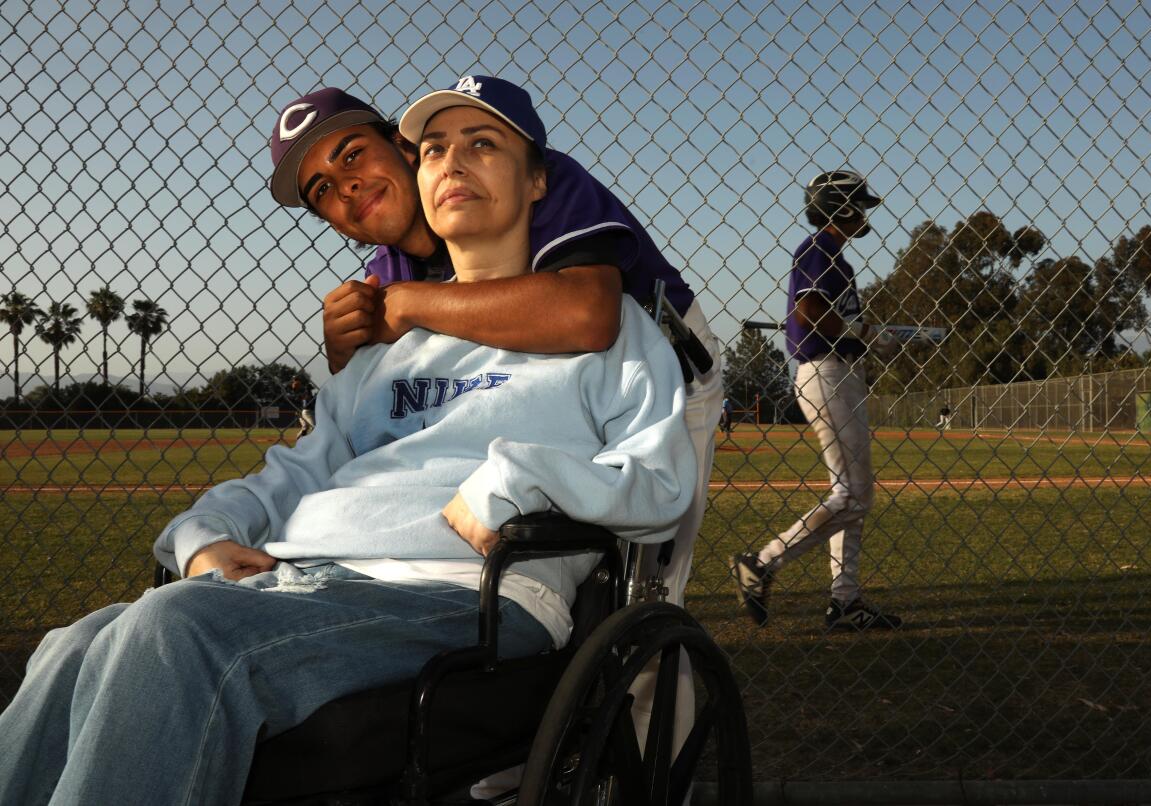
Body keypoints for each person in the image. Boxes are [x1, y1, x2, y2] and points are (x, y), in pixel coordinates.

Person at [0, 85, 697, 806]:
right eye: (435, 151)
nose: (454, 162)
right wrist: (202, 532)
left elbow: (656, 478)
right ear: (418, 175)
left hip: (463, 591)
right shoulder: (382, 340)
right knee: (73, 647)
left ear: (538, 179)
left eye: (482, 145)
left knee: (174, 631)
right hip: (311, 580)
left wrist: (523, 478)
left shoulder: (605, 320)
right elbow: (301, 466)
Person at [313, 77, 723, 620]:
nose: (346, 187)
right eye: (320, 190)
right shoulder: (386, 271)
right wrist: (346, 354)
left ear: (402, 148)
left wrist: (412, 304)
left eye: (354, 156)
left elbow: (587, 315)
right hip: (537, 411)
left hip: (654, 373)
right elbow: (365, 416)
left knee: (644, 596)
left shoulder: (529, 174)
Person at [730, 170, 901, 630]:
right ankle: (763, 562)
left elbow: (830, 321)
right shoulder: (818, 249)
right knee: (855, 496)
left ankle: (845, 601)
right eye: (858, 204)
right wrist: (862, 331)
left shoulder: (838, 261)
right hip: (825, 374)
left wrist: (868, 340)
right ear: (840, 207)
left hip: (839, 372)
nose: (864, 213)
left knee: (851, 495)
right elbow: (809, 312)